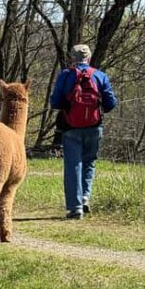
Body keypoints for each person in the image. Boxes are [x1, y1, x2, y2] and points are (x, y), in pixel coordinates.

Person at [50, 44, 118, 220]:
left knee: (73, 165)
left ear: (72, 58)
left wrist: (68, 106)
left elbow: (55, 102)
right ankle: (85, 196)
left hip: (71, 128)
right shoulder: (100, 76)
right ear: (88, 58)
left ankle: (75, 208)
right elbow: (111, 103)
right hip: (94, 127)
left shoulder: (66, 75)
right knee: (89, 162)